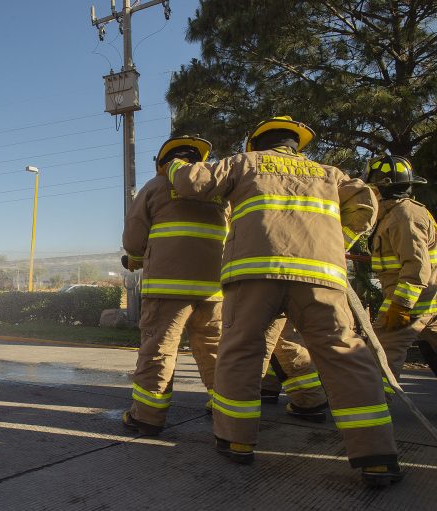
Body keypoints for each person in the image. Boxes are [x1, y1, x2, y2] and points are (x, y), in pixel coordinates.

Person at [167, 116, 401, 486]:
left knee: (242, 349)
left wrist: (177, 164)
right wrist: (338, 242)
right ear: (297, 145)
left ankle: (236, 441)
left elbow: (191, 182)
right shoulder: (330, 173)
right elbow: (366, 201)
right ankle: (376, 455)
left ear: (256, 142)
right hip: (321, 279)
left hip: (254, 275)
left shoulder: (244, 164)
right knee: (343, 352)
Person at [121, 136, 226, 435]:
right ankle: (226, 409)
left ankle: (147, 417)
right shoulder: (217, 190)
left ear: (162, 163)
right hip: (213, 290)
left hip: (168, 288)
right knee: (214, 350)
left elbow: (134, 238)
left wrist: (135, 259)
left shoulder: (155, 187)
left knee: (159, 349)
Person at [363, 155, 437, 378]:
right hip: (426, 298)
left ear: (382, 188)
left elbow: (416, 265)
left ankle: (372, 407)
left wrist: (401, 305)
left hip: (410, 300)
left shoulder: (404, 216)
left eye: (372, 188)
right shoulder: (395, 214)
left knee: (379, 354)